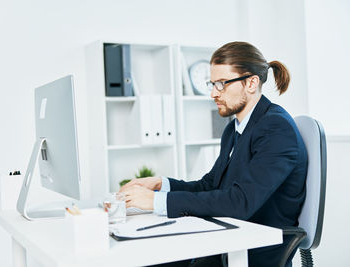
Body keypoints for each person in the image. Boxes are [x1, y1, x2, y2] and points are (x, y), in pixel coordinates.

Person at [120, 41, 308, 267]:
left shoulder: (276, 128)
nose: (213, 93)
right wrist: (162, 185)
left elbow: (240, 202)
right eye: (213, 84)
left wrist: (156, 202)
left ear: (251, 82)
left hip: (253, 250)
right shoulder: (234, 129)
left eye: (222, 84)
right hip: (227, 239)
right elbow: (211, 184)